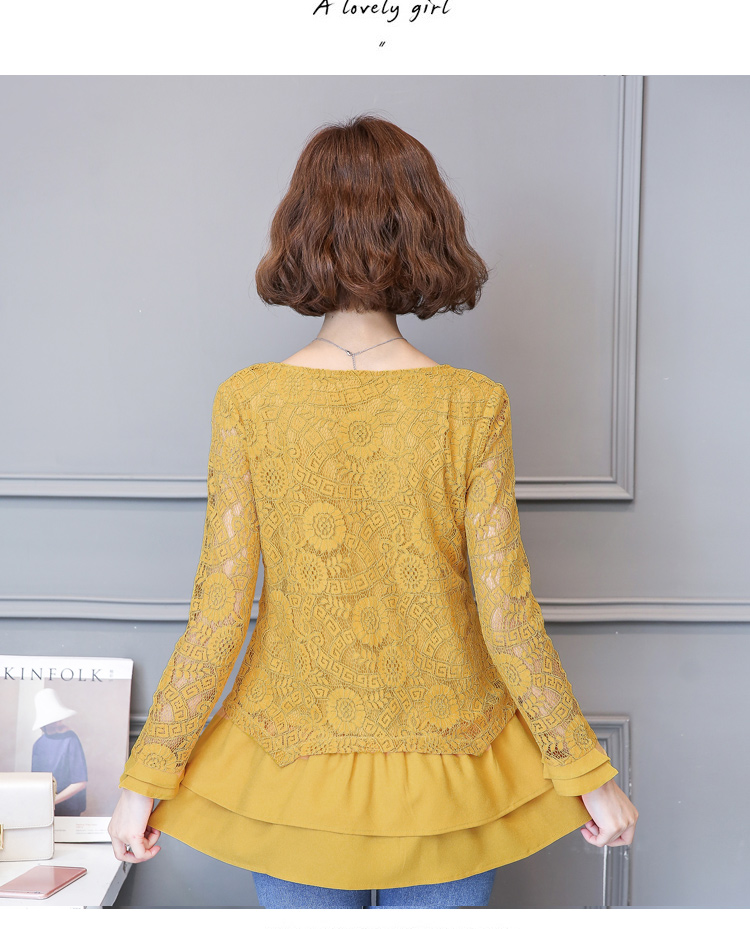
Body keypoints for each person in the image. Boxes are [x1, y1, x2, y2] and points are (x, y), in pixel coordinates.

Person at [109, 114, 638, 909]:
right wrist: (590, 775)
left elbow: (218, 613)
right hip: (451, 778)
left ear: (300, 231)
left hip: (291, 775)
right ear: (426, 231)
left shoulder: (250, 402)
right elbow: (508, 618)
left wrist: (145, 778)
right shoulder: (471, 405)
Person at [31, 688, 88, 816]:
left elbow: (80, 782)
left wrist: (52, 802)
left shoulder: (70, 739)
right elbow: (37, 782)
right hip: (46, 810)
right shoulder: (38, 745)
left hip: (69, 810)